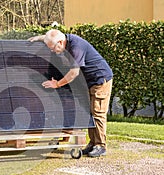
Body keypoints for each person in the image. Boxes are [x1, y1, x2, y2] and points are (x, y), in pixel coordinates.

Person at [29, 29, 113, 157]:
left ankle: (101, 146)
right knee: (89, 112)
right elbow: (53, 37)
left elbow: (74, 72)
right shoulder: (61, 40)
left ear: (61, 42)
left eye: (53, 48)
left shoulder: (76, 47)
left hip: (100, 79)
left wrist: (57, 84)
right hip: (88, 82)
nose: (52, 51)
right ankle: (92, 143)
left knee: (98, 112)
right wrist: (39, 38)